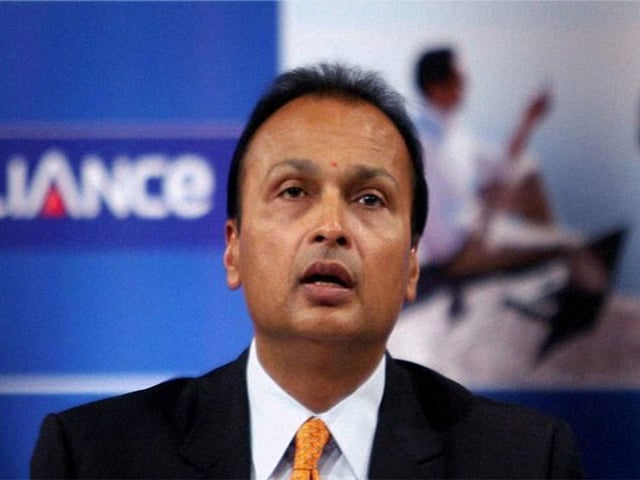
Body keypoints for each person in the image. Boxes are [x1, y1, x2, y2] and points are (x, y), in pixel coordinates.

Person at [31, 63, 584, 479]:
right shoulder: (95, 457)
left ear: (413, 263)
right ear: (233, 249)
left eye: (369, 199)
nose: (331, 227)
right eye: (294, 191)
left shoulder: (523, 461)